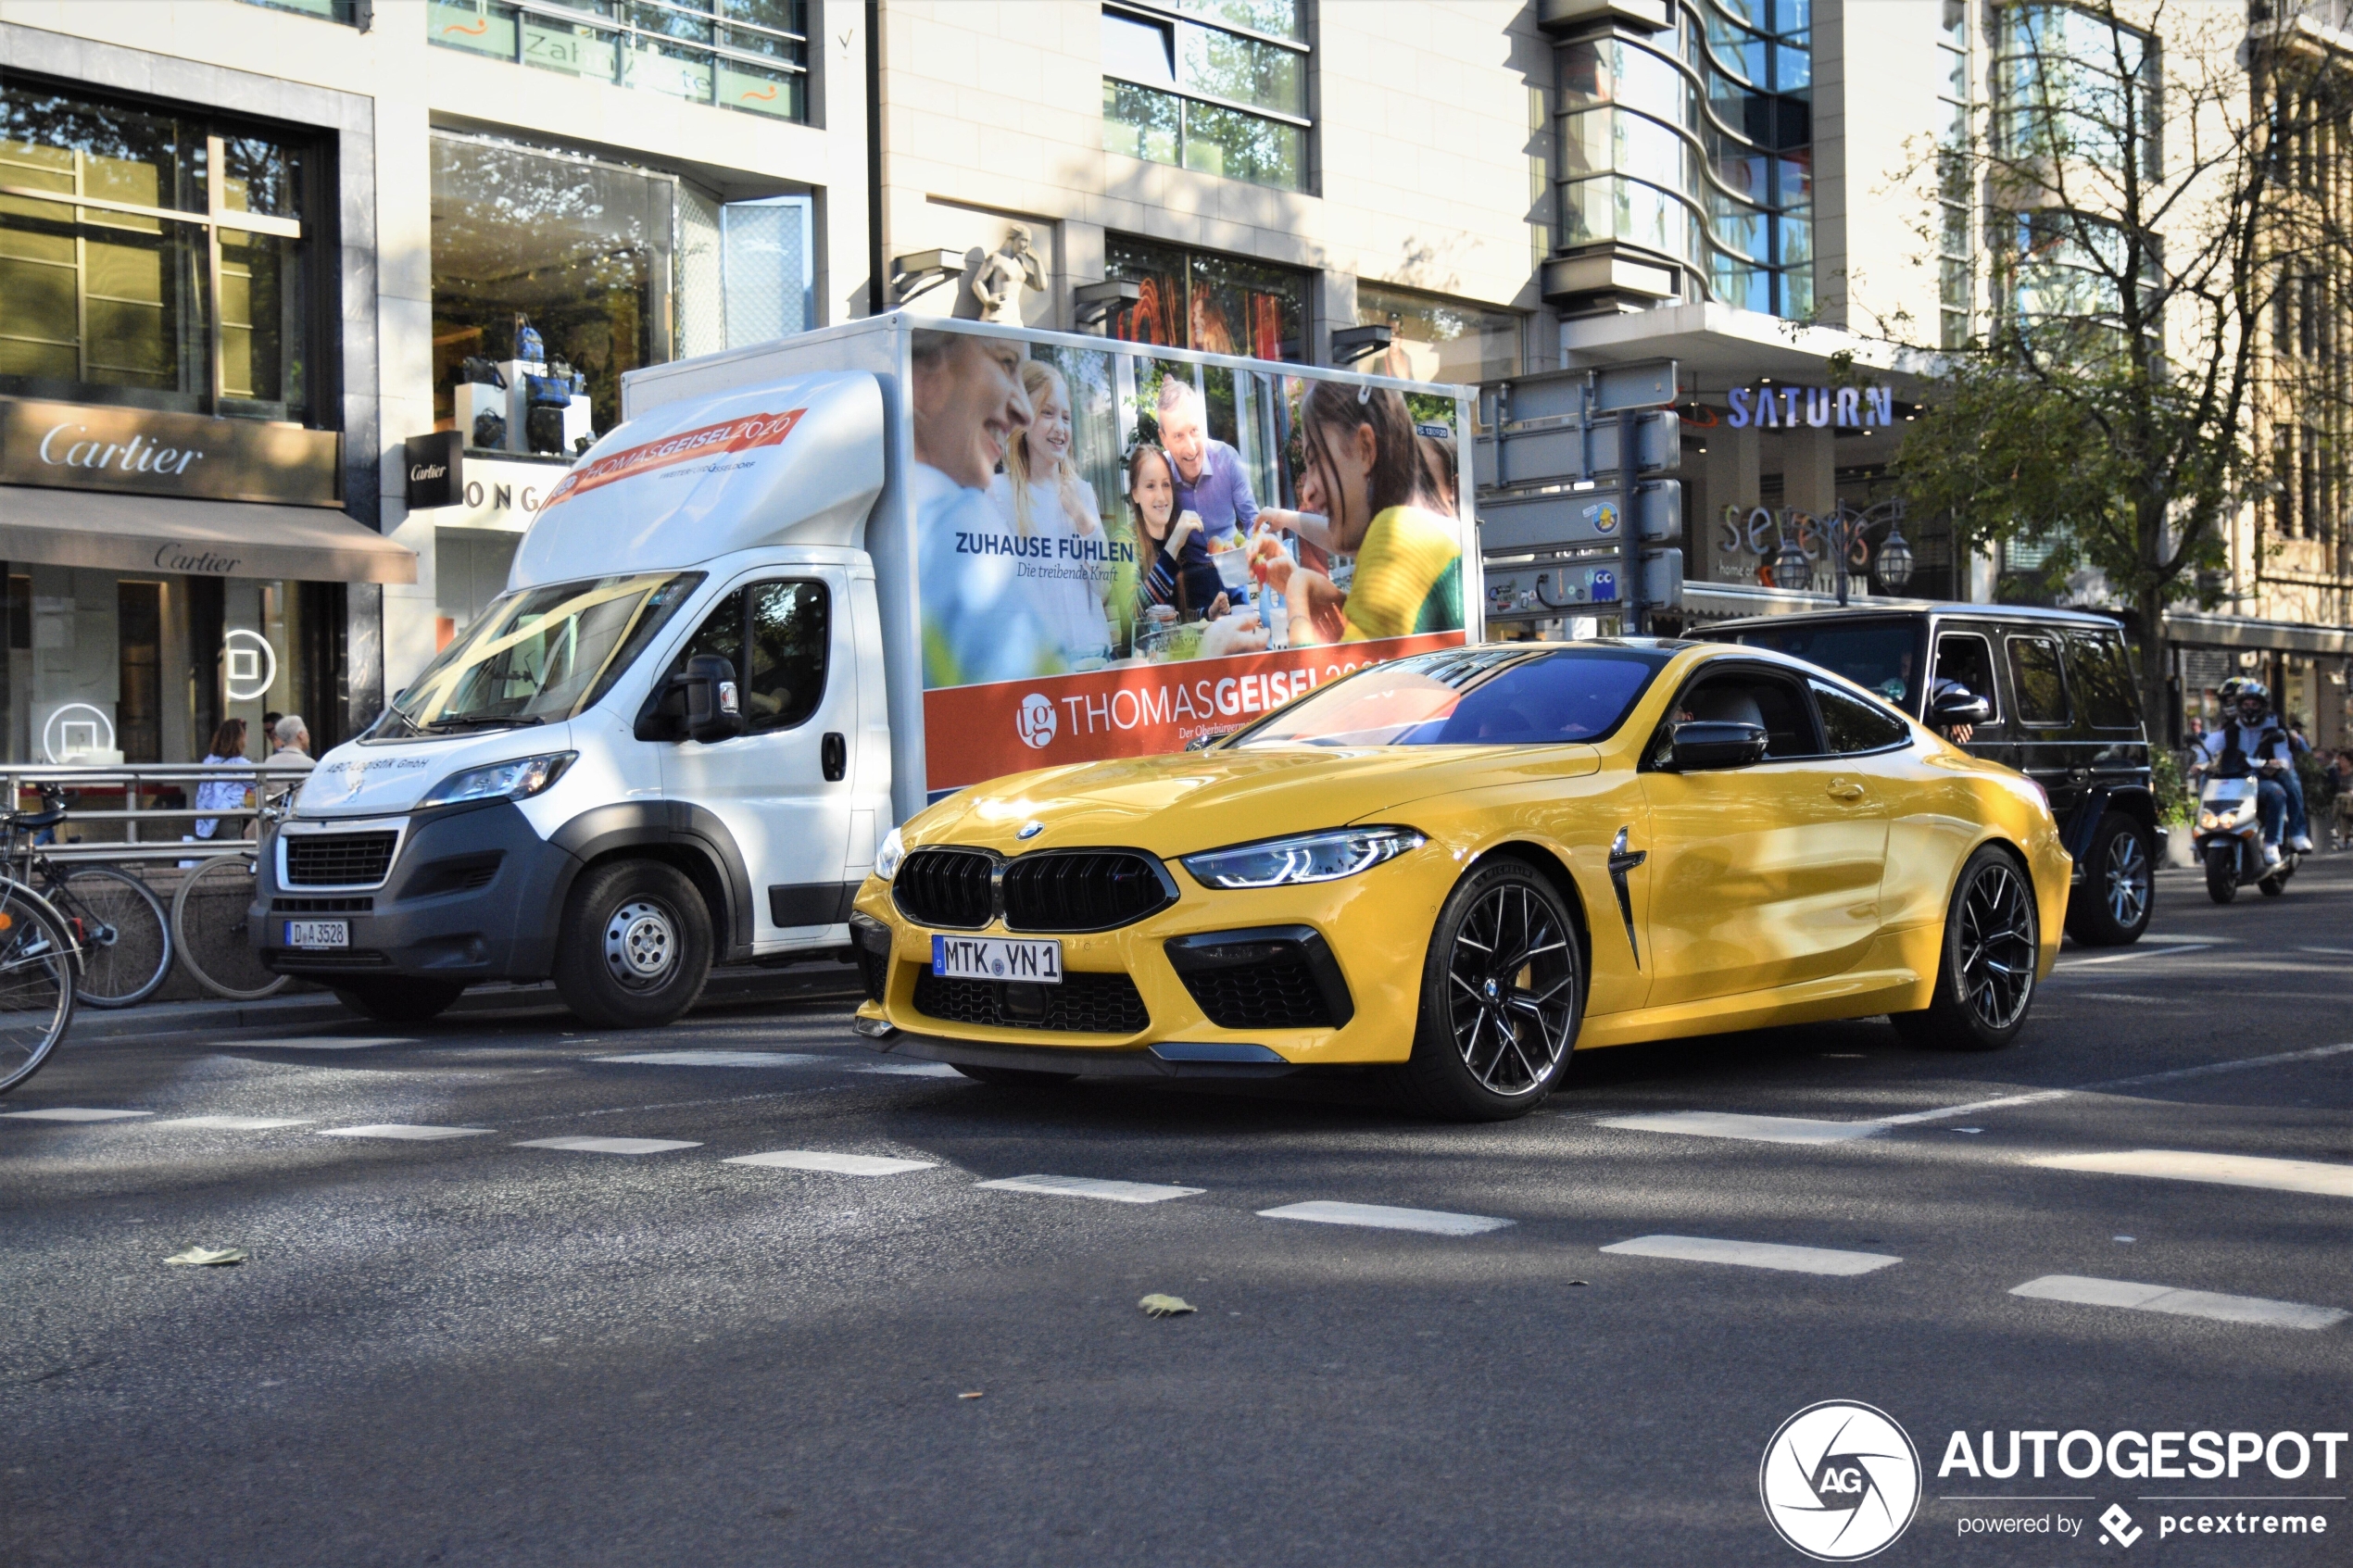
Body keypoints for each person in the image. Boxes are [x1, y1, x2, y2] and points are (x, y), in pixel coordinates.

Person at [1253, 381, 1463, 647]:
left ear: (1365, 448)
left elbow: (1345, 686)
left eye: (1316, 459)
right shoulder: (1422, 532)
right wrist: (1336, 602)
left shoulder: (1395, 534)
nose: (1307, 492)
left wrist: (1296, 598)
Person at [908, 329, 1063, 689]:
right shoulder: (960, 517)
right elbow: (1039, 702)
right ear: (923, 377)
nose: (1024, 412)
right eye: (1006, 363)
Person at [988, 360, 1114, 663]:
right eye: (1047, 413)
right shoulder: (998, 493)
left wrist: (1085, 522)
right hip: (1043, 668)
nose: (1060, 428)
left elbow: (1106, 586)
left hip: (1096, 658)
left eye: (1067, 417)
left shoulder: (1081, 491)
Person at [1153, 377, 1260, 613]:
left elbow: (1253, 519)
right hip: (1192, 578)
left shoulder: (1228, 459)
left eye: (1194, 430)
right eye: (1178, 436)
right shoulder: (1161, 474)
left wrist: (1253, 551)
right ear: (1164, 438)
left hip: (1233, 571)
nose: (1191, 448)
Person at [2196, 678, 2296, 863]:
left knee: (2277, 793)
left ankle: (2271, 842)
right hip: (2232, 779)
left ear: (2263, 706)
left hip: (2259, 779)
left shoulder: (2273, 728)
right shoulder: (2228, 730)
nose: (2250, 708)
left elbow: (2285, 757)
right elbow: (2210, 749)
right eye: (2245, 704)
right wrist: (2200, 763)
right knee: (2205, 782)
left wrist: (2277, 763)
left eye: (2254, 704)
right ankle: (2204, 829)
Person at [192, 718, 251, 839]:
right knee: (231, 856)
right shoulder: (241, 764)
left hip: (206, 816)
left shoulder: (209, 761)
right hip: (229, 815)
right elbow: (258, 785)